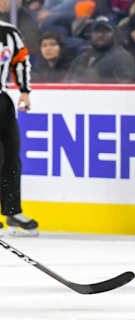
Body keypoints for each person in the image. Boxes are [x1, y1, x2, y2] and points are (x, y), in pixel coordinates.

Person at [0, 20, 39, 236]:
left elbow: (21, 60)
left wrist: (24, 91)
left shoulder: (8, 32)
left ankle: (12, 210)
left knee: (11, 156)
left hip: (1, 99)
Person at [66, 16, 135, 83]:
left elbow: (125, 89)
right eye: (97, 31)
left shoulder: (123, 57)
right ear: (90, 34)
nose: (100, 35)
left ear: (114, 34)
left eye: (106, 31)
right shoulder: (81, 58)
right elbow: (67, 82)